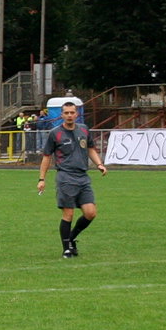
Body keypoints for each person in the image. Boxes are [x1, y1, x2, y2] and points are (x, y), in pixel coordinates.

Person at [37, 102, 108, 259]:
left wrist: (99, 164)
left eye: (72, 112)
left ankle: (71, 238)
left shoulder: (83, 129)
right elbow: (47, 157)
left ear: (77, 114)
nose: (69, 115)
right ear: (61, 115)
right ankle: (66, 249)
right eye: (66, 113)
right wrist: (42, 179)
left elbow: (90, 148)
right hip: (65, 177)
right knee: (68, 214)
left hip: (83, 177)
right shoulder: (55, 133)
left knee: (90, 213)